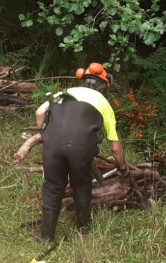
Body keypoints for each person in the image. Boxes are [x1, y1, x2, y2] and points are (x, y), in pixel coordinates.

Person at [35, 62, 129, 242]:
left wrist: (44, 136)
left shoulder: (65, 93)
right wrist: (123, 167)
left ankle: (46, 236)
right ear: (105, 85)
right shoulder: (103, 102)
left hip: (52, 144)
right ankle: (83, 231)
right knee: (81, 185)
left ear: (83, 80)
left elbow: (40, 113)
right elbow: (115, 147)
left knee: (53, 186)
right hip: (81, 148)